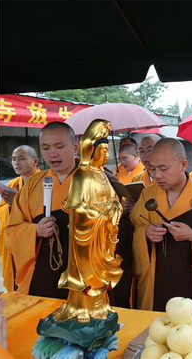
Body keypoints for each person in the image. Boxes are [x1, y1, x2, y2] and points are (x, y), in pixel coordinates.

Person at [130, 139, 192, 315]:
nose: (157, 175)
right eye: (153, 168)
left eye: (163, 169)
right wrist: (145, 233)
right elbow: (133, 228)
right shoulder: (147, 195)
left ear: (183, 165)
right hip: (156, 281)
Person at [53, 119, 122, 323]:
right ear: (91, 150)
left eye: (108, 150)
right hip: (86, 238)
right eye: (103, 150)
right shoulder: (83, 175)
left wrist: (115, 208)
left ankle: (100, 306)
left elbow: (114, 200)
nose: (107, 155)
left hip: (101, 239)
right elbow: (77, 209)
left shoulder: (102, 175)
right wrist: (103, 212)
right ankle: (80, 308)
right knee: (85, 276)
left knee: (101, 277)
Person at [6, 122, 79, 298]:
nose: (52, 154)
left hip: (82, 273)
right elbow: (12, 231)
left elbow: (118, 227)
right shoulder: (33, 184)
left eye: (59, 146)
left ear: (75, 146)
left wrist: (90, 227)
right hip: (42, 275)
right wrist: (35, 231)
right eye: (45, 148)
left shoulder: (95, 180)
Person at [0, 145, 40, 292]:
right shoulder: (13, 184)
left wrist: (18, 201)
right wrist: (10, 205)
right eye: (14, 159)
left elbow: (42, 212)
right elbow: (0, 211)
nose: (16, 163)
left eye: (22, 159)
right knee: (14, 278)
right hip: (14, 241)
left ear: (35, 162)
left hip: (34, 241)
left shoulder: (44, 183)